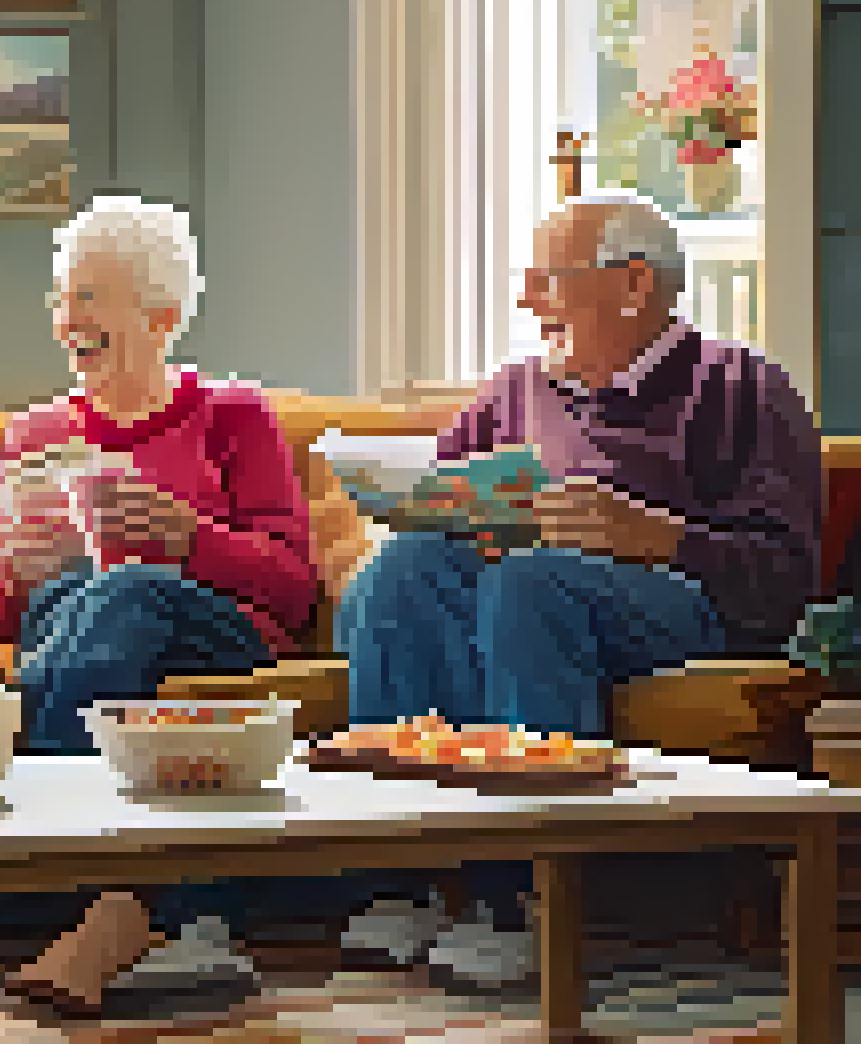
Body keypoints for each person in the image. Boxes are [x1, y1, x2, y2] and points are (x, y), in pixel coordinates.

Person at [330, 192, 822, 981]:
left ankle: (525, 899)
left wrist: (654, 535)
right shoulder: (517, 389)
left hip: (675, 606)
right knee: (404, 570)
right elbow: (432, 497)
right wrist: (415, 518)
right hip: (523, 596)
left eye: (547, 280)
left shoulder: (741, 387)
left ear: (634, 286)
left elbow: (786, 578)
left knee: (530, 585)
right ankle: (406, 882)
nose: (527, 301)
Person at [0, 195, 322, 1014]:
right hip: (82, 626)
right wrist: (17, 581)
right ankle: (127, 912)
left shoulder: (233, 419)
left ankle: (53, 888)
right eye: (61, 298)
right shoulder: (34, 437)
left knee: (125, 588)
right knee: (78, 594)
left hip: (218, 631)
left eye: (90, 298)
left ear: (162, 315)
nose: (68, 319)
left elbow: (294, 589)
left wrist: (187, 539)